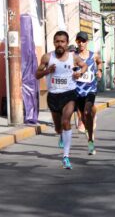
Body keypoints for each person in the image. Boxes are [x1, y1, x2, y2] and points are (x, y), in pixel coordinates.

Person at [35, 30, 88, 169]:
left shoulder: (73, 57)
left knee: (66, 121)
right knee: (58, 128)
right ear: (54, 42)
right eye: (57, 41)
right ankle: (61, 135)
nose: (60, 44)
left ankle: (66, 157)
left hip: (69, 94)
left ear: (66, 43)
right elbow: (36, 75)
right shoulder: (47, 57)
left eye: (62, 41)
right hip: (53, 96)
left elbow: (84, 66)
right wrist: (47, 71)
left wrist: (79, 73)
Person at [74, 31, 102, 155]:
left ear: (87, 42)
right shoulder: (73, 56)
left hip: (90, 89)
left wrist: (99, 71)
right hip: (78, 90)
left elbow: (100, 63)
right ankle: (90, 136)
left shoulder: (93, 55)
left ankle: (90, 141)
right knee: (85, 117)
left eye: (83, 41)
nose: (81, 43)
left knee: (87, 111)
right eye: (79, 41)